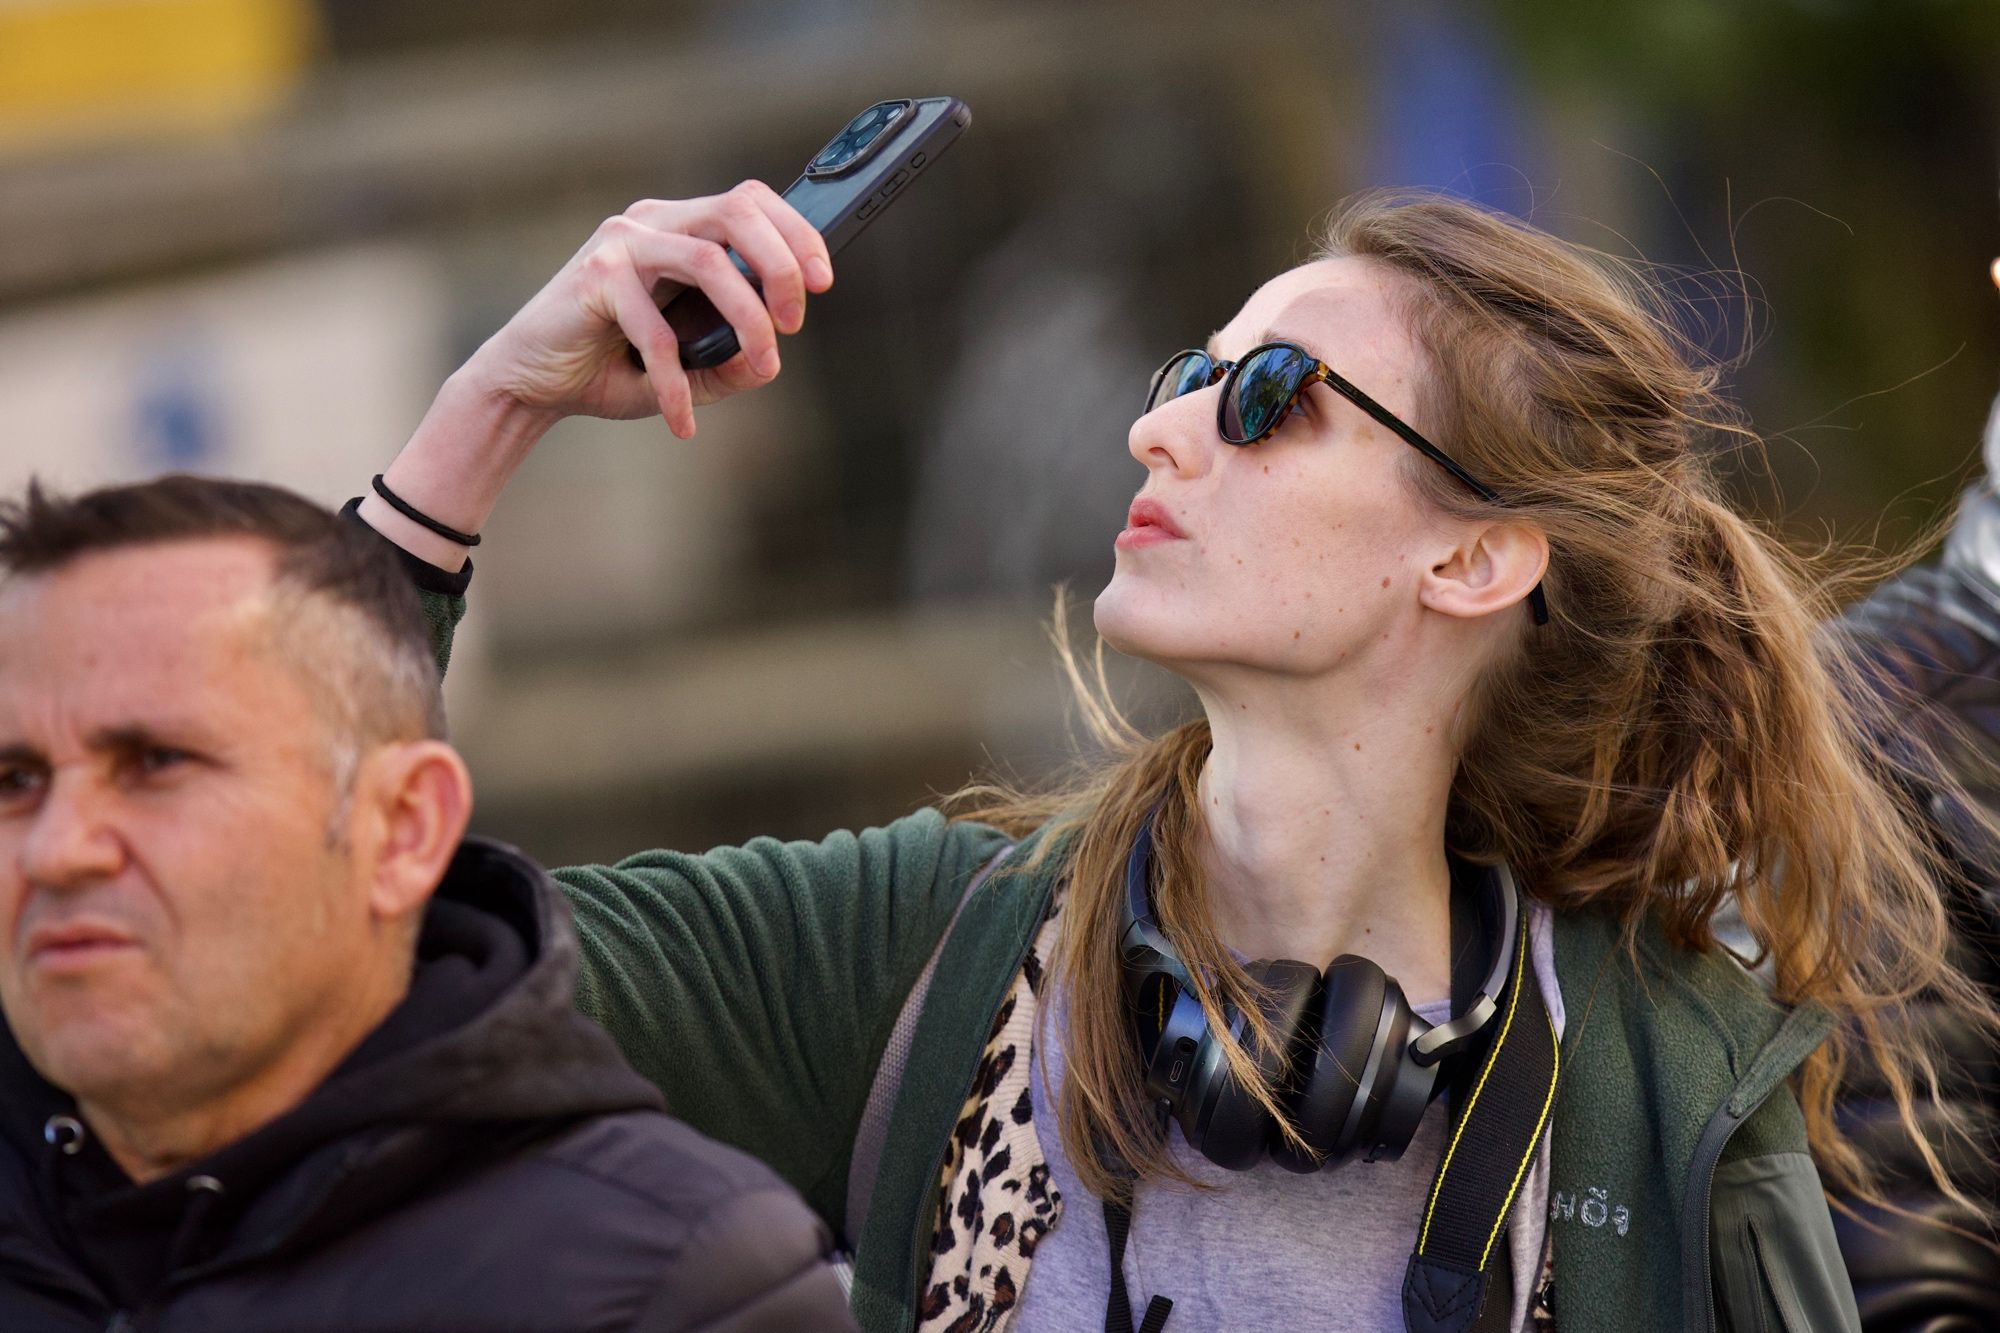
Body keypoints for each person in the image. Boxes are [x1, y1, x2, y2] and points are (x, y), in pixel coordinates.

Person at [351, 182, 2000, 1333]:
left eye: (1270, 393)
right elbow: (327, 959)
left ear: (1476, 559)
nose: (1161, 427)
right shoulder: (912, 959)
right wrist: (485, 415)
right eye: (1183, 377)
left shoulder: (1671, 1070)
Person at [0, 477, 858, 1332]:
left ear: (404, 829)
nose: (57, 848)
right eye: (15, 779)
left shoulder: (668, 1286)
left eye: (156, 762)